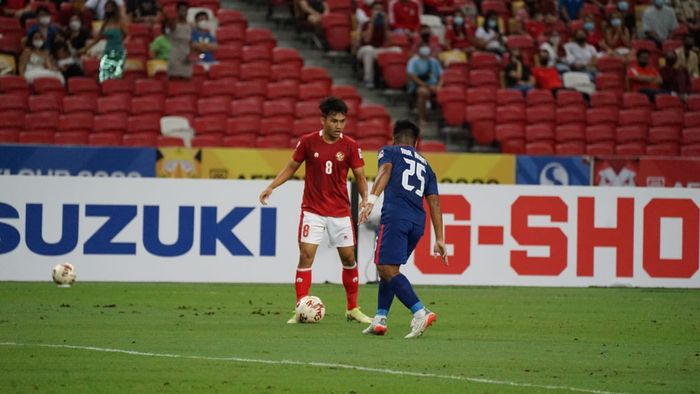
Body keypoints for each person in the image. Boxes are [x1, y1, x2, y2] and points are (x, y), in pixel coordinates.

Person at [259, 97, 373, 326]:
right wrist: (272, 186)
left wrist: (365, 200)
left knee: (349, 258)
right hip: (313, 210)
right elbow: (291, 167)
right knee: (306, 255)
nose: (338, 125)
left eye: (342, 121)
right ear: (323, 120)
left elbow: (360, 176)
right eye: (334, 121)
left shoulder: (350, 145)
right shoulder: (307, 142)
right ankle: (300, 308)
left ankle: (353, 309)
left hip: (340, 211)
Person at [358, 120, 447, 339]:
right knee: (388, 268)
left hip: (396, 217)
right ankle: (380, 319)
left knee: (387, 268)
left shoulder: (389, 151)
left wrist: (370, 199)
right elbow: (434, 202)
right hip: (417, 222)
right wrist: (440, 238)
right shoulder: (427, 165)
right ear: (417, 142)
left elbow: (386, 169)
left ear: (394, 138)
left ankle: (420, 312)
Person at [356, 1, 401, 89]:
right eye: (376, 9)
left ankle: (392, 80)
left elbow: (389, 42)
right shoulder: (366, 23)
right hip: (364, 50)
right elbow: (367, 40)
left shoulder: (385, 24)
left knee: (397, 50)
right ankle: (369, 80)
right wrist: (372, 22)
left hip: (379, 50)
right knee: (368, 50)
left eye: (381, 10)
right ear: (371, 11)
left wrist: (385, 25)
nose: (378, 12)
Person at [81, 0, 126, 82]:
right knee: (104, 74)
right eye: (106, 7)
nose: (108, 8)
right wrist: (85, 48)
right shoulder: (105, 23)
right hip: (108, 50)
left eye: (110, 7)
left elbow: (126, 35)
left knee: (116, 74)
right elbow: (97, 39)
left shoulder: (120, 22)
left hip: (118, 50)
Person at [407, 45, 443, 126]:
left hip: (434, 85)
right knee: (423, 92)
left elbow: (441, 75)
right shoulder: (413, 61)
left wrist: (439, 86)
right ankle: (421, 118)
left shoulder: (434, 61)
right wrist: (427, 86)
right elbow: (412, 76)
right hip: (419, 85)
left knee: (446, 92)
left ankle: (445, 120)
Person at [168, 1, 193, 79]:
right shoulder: (173, 24)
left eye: (185, 10)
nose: (183, 12)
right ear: (177, 11)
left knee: (186, 81)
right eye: (181, 10)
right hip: (174, 57)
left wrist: (191, 55)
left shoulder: (190, 26)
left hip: (186, 57)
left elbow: (191, 42)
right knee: (174, 80)